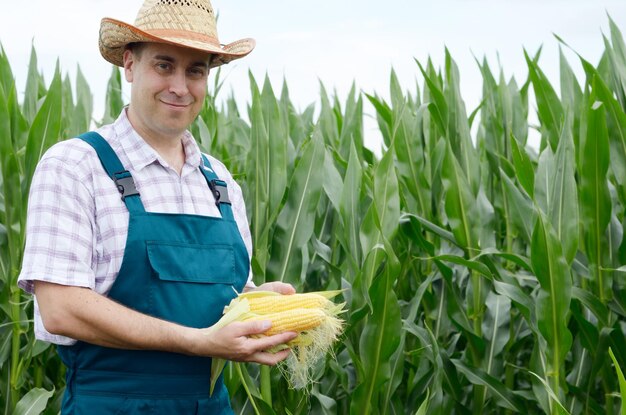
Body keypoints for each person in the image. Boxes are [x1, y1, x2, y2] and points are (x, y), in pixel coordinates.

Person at [17, 0, 297, 413]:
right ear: (129, 65)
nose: (180, 86)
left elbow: (225, 299)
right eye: (164, 65)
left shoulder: (220, 183)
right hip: (113, 404)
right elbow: (62, 309)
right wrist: (199, 342)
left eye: (195, 70)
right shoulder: (76, 166)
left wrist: (259, 304)